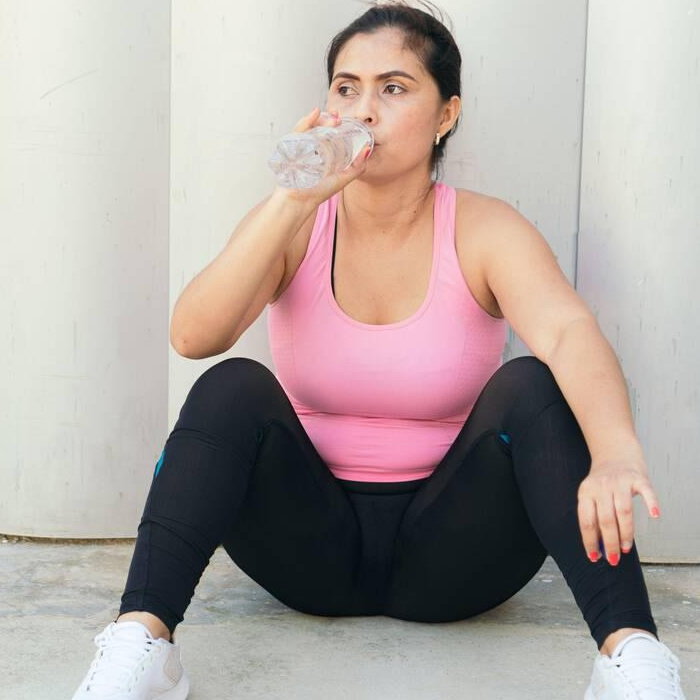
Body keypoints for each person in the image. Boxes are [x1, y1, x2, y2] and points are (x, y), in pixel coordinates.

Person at [70, 2, 687, 699]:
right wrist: (290, 199)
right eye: (346, 87)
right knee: (233, 384)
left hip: (457, 553)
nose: (364, 109)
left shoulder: (486, 229)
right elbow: (193, 336)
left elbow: (570, 333)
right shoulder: (297, 224)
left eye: (393, 88)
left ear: (446, 114)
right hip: (309, 549)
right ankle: (143, 647)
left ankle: (630, 656)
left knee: (532, 385)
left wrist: (615, 452)